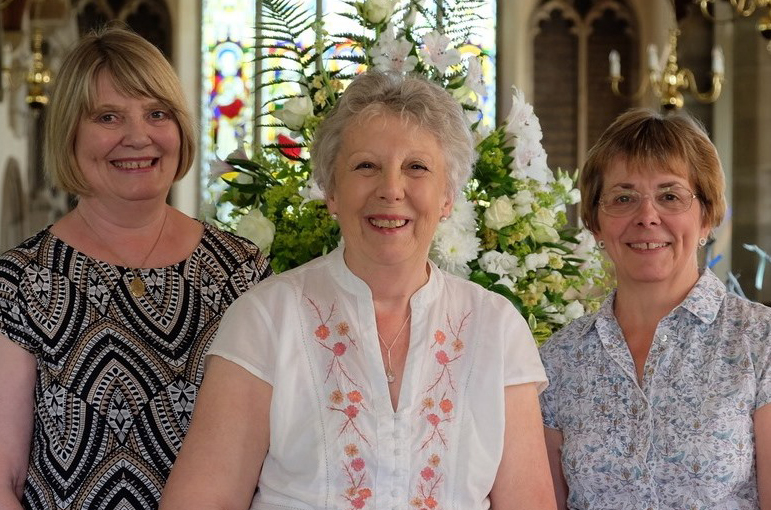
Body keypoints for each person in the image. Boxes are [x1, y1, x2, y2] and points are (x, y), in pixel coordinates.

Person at [160, 71, 557, 510]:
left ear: (448, 197)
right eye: (365, 166)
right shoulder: (266, 318)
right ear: (331, 191)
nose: (390, 189)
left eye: (417, 167)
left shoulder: (497, 329)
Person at [0, 26, 272, 509]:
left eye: (157, 113)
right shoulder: (18, 282)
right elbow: (4, 476)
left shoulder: (243, 272)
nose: (138, 136)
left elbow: (279, 457)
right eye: (108, 116)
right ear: (69, 133)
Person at [539, 109, 771, 509]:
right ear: (595, 222)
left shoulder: (760, 342)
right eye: (623, 198)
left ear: (707, 217)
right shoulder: (558, 360)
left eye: (670, 196)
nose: (647, 217)